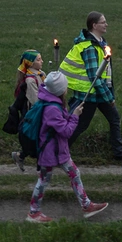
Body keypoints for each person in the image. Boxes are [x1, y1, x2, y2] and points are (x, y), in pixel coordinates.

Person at [26, 71, 108, 223]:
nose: (67, 89)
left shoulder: (51, 101)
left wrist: (71, 114)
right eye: (65, 87)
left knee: (74, 174)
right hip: (51, 152)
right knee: (44, 180)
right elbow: (66, 131)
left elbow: (61, 123)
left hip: (57, 150)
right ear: (60, 90)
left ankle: (86, 205)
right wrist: (75, 116)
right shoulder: (52, 108)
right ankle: (33, 213)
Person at [61, 11, 122, 161]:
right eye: (103, 22)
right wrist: (109, 97)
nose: (106, 24)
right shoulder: (89, 47)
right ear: (94, 25)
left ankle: (119, 153)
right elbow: (94, 77)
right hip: (89, 95)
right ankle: (59, 151)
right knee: (79, 125)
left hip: (98, 93)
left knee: (114, 118)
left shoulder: (100, 43)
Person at [12, 49, 47, 170]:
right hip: (34, 114)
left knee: (39, 138)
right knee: (38, 138)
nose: (42, 61)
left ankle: (21, 156)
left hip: (40, 111)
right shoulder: (30, 80)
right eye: (38, 59)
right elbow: (35, 101)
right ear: (31, 63)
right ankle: (41, 167)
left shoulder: (41, 74)